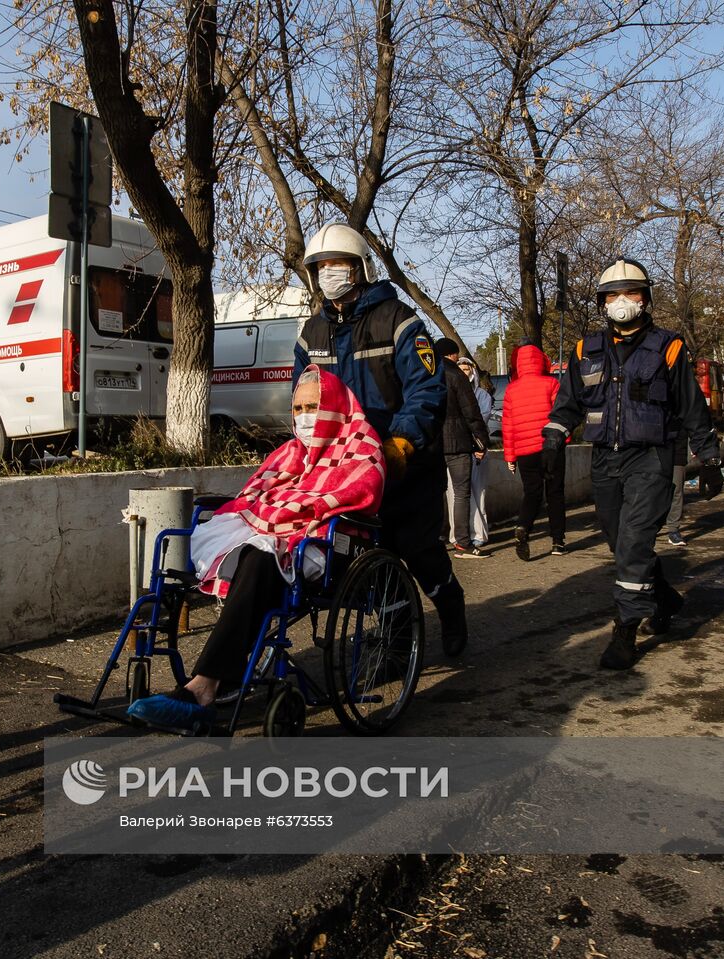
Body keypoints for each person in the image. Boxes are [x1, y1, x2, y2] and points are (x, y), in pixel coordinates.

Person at [125, 367, 385, 727]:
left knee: (260, 559)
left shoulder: (361, 444)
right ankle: (214, 676)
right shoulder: (289, 451)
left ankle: (203, 687)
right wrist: (273, 515)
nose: (305, 417)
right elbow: (254, 494)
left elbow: (362, 490)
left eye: (313, 406)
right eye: (298, 409)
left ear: (337, 406)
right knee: (205, 544)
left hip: (326, 543)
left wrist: (302, 511)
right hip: (273, 534)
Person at [293, 223, 467, 656]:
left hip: (405, 464)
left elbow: (427, 389)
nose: (329, 273)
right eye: (321, 267)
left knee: (418, 551)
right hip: (348, 471)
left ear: (359, 267)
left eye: (337, 264)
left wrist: (401, 444)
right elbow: (304, 396)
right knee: (371, 559)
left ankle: (450, 603)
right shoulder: (311, 333)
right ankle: (396, 647)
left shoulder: (399, 320)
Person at [544, 257, 723, 670]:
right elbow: (567, 404)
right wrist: (554, 434)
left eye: (631, 292)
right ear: (602, 302)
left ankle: (624, 631)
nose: (622, 301)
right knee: (619, 541)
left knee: (634, 543)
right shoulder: (583, 350)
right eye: (613, 294)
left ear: (645, 299)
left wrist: (709, 457)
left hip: (653, 458)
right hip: (606, 459)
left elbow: (693, 408)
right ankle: (665, 599)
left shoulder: (670, 346)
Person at [503, 342, 566, 559]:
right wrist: (563, 441)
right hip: (550, 447)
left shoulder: (512, 389)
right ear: (541, 360)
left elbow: (508, 425)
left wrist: (510, 456)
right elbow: (560, 415)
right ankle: (558, 541)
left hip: (524, 451)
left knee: (532, 493)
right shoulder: (551, 383)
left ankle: (523, 526)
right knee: (555, 493)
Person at [435, 338, 490, 558]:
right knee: (461, 494)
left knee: (435, 494)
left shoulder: (426, 374)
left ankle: (436, 538)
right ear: (453, 355)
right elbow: (472, 412)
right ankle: (463, 543)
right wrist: (482, 439)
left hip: (433, 444)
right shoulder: (457, 376)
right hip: (458, 443)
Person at [458, 356, 493, 549]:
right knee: (459, 494)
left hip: (477, 448)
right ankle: (459, 534)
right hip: (458, 448)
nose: (464, 373)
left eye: (466, 369)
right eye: (460, 369)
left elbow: (482, 420)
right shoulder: (452, 393)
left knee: (478, 493)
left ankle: (479, 532)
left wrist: (478, 444)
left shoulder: (482, 396)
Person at [663, 430, 688, 546]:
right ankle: (647, 529)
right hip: (652, 454)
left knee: (676, 492)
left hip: (677, 454)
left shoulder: (682, 412)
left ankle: (673, 530)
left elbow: (698, 423)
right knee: (651, 493)